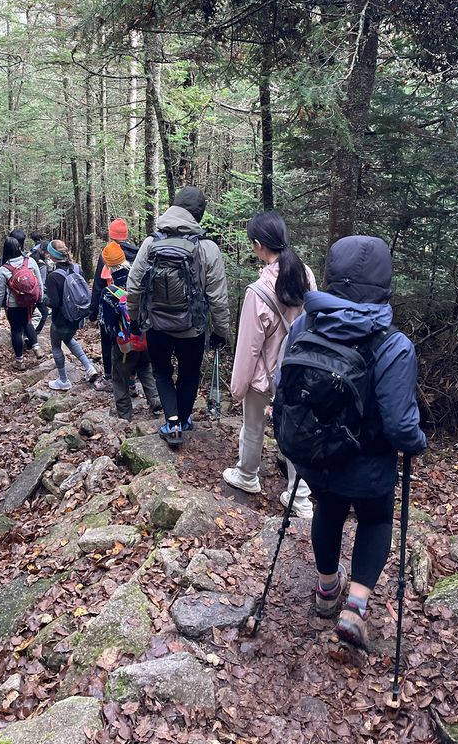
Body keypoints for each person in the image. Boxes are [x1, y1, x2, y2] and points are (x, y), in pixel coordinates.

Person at [286, 235, 426, 650]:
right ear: (385, 284)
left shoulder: (304, 325)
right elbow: (401, 426)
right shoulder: (394, 346)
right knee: (376, 519)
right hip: (369, 463)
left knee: (327, 509)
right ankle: (355, 609)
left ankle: (327, 588)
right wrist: (418, 442)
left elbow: (286, 387)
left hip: (317, 453)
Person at [222, 212, 317, 517]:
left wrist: (237, 389)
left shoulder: (257, 293)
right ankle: (300, 497)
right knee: (294, 430)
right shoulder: (306, 275)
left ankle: (248, 476)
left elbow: (249, 348)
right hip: (299, 372)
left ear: (259, 246)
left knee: (253, 427)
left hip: (265, 378)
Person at [127, 186, 230, 445]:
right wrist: (221, 331)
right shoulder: (207, 248)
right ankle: (183, 420)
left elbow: (134, 285)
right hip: (192, 328)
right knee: (189, 373)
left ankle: (171, 423)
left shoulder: (151, 243)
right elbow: (217, 296)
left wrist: (134, 318)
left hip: (156, 325)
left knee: (161, 371)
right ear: (199, 214)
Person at [99, 241, 160, 420]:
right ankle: (155, 400)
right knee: (145, 368)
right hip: (144, 336)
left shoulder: (109, 292)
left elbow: (107, 325)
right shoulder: (140, 280)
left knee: (119, 378)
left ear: (108, 264)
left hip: (124, 344)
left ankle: (125, 414)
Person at [89, 219, 139, 392]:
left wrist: (93, 313)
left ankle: (110, 377)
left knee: (109, 341)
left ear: (111, 235)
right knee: (132, 339)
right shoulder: (137, 252)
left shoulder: (108, 254)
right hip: (132, 306)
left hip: (110, 305)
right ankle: (132, 379)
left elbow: (98, 285)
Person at [44, 239, 98, 391]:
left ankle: (63, 380)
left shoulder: (53, 277)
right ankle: (89, 367)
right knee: (68, 339)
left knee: (56, 345)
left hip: (61, 320)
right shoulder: (77, 268)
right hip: (77, 317)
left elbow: (54, 303)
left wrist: (42, 299)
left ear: (53, 256)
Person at [0, 236, 43, 370]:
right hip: (30, 302)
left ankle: (19, 361)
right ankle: (36, 347)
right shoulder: (30, 261)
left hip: (13, 304)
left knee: (15, 330)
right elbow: (39, 282)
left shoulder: (4, 269)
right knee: (28, 322)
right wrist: (40, 298)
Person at [29, 241, 51, 335]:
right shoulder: (42, 265)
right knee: (44, 314)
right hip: (36, 293)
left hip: (27, 291)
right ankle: (33, 335)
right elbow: (41, 282)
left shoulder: (30, 257)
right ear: (47, 252)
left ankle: (27, 334)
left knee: (29, 314)